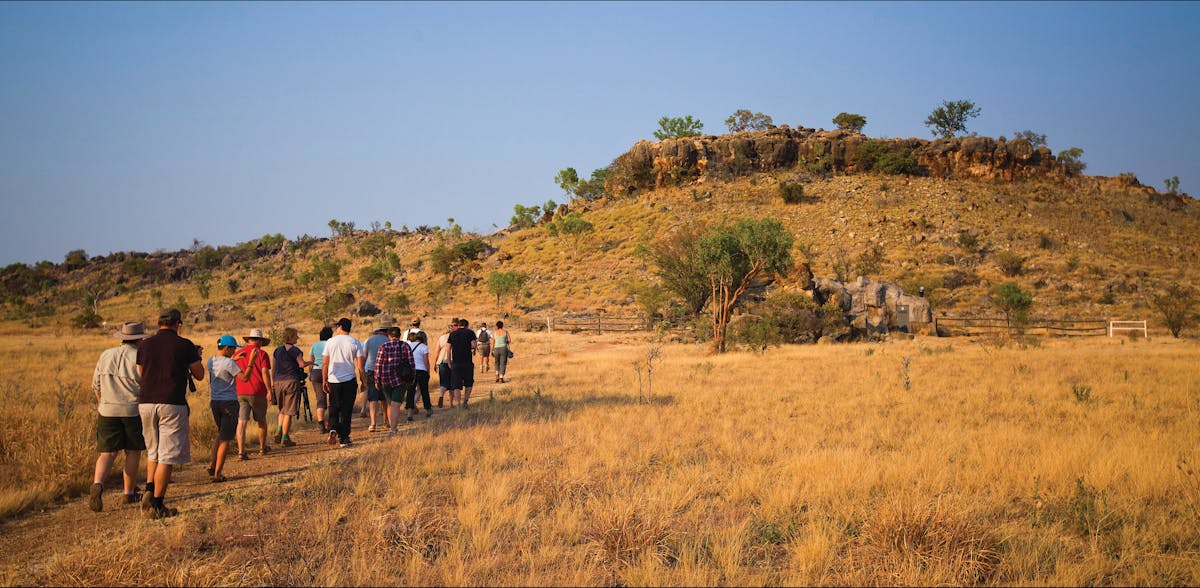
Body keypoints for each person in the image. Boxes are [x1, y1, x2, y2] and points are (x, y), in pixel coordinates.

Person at [136, 309, 204, 519]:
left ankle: (149, 488)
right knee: (167, 455)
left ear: (158, 323)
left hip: (146, 402)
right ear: (177, 324)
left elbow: (140, 372)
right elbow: (199, 375)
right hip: (171, 402)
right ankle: (157, 503)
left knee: (153, 450)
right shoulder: (185, 345)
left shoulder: (145, 344)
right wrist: (195, 358)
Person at [89, 321, 151, 512]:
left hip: (107, 410)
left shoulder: (106, 354)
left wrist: (102, 402)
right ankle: (128, 493)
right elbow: (146, 384)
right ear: (140, 339)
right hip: (132, 410)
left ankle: (98, 484)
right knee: (132, 452)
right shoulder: (140, 356)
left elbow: (96, 384)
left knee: (107, 453)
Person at [206, 335, 244, 483]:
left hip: (215, 402)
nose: (234, 351)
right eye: (233, 349)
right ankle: (218, 474)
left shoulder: (211, 361)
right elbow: (244, 377)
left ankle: (212, 464)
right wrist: (251, 362)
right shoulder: (229, 363)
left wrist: (233, 360)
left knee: (220, 434)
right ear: (227, 348)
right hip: (229, 403)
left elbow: (223, 366)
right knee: (225, 440)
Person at [323, 317, 365, 448]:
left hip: (333, 380)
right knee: (347, 409)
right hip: (349, 380)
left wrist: (324, 380)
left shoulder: (330, 342)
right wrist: (363, 381)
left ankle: (333, 428)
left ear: (340, 327)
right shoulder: (355, 342)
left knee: (334, 406)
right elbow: (360, 367)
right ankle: (344, 437)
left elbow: (325, 363)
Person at [233, 329, 274, 460]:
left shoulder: (238, 353)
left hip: (240, 391)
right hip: (258, 391)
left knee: (241, 422)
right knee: (261, 420)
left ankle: (241, 451)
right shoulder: (262, 354)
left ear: (249, 340)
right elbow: (264, 373)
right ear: (260, 341)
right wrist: (269, 390)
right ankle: (262, 448)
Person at [272, 327, 310, 448]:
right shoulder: (295, 350)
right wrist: (310, 363)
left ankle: (279, 431)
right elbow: (301, 364)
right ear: (291, 337)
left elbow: (273, 368)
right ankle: (285, 437)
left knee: (282, 409)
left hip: (278, 381)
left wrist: (273, 383)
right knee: (289, 411)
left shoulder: (277, 351)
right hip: (291, 381)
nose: (297, 338)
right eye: (296, 336)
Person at [375, 326, 415, 436]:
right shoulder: (406, 346)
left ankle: (391, 427)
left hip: (385, 379)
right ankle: (393, 429)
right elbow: (412, 363)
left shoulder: (383, 346)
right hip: (401, 379)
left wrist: (376, 380)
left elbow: (378, 365)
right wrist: (412, 378)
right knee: (395, 405)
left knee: (389, 404)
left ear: (389, 335)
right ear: (399, 335)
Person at [362, 318, 393, 431]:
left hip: (371, 371)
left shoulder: (369, 340)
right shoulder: (388, 341)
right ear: (386, 331)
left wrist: (363, 374)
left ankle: (373, 423)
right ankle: (386, 421)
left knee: (373, 398)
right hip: (385, 371)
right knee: (384, 397)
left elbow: (364, 358)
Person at [307, 326, 334, 434]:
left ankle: (321, 424)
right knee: (332, 398)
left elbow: (310, 361)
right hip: (328, 372)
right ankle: (331, 422)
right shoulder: (330, 344)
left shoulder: (314, 345)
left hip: (316, 373)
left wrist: (310, 373)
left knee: (320, 399)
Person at [447, 318, 478, 409]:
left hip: (456, 362)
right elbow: (473, 345)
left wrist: (449, 362)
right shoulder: (470, 333)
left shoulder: (452, 334)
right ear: (467, 325)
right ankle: (465, 401)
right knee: (469, 382)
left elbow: (448, 349)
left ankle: (458, 404)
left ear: (459, 325)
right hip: (467, 362)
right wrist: (473, 349)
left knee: (456, 384)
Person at [407, 330, 433, 421]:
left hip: (411, 371)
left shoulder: (409, 346)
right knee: (424, 391)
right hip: (422, 371)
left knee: (410, 392)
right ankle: (428, 410)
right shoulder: (424, 347)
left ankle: (409, 414)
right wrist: (428, 372)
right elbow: (426, 361)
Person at [435, 321, 454, 408]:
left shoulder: (441, 337)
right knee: (452, 382)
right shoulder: (454, 337)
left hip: (442, 360)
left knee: (443, 382)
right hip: (452, 360)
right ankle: (451, 404)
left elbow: (437, 351)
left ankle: (441, 396)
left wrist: (435, 363)